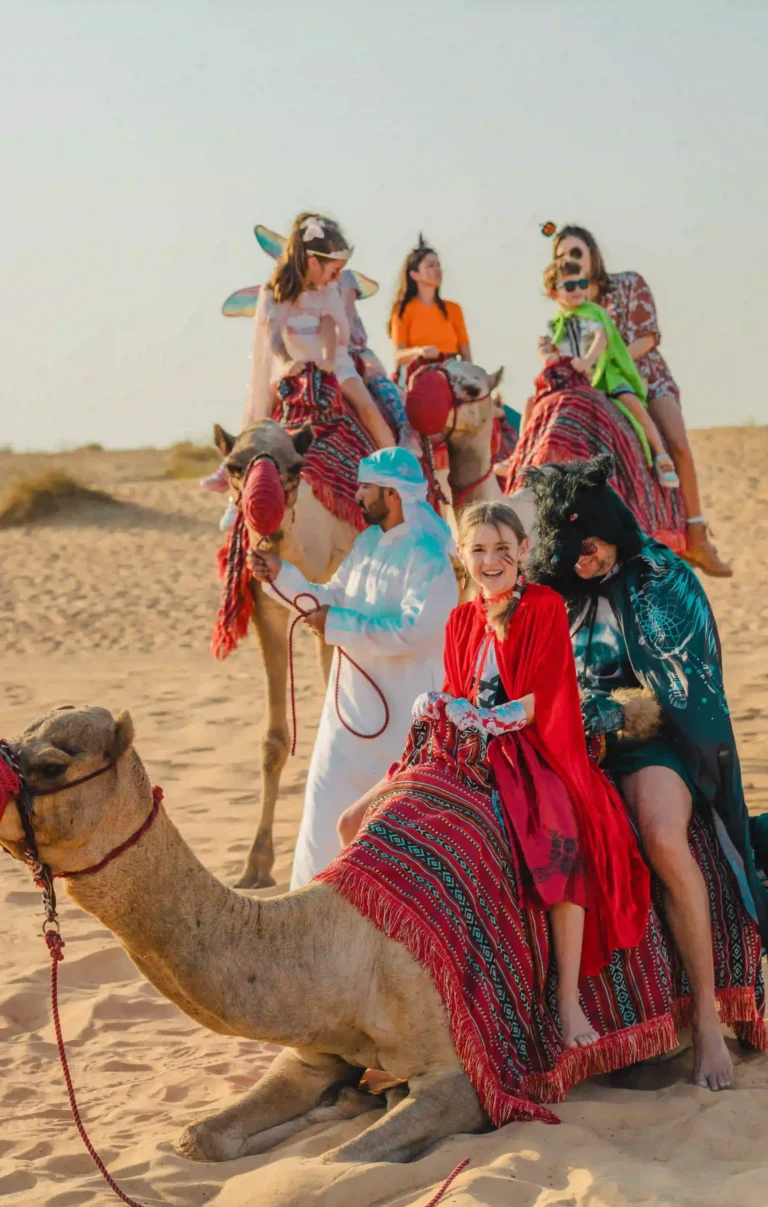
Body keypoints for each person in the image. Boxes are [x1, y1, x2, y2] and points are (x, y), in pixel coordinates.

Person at [339, 498, 650, 1050]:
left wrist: (486, 717)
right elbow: (458, 692)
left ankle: (569, 1002)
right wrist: (440, 708)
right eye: (478, 550)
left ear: (522, 551)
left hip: (529, 746)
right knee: (351, 822)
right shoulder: (460, 620)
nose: (490, 560)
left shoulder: (543, 606)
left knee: (562, 845)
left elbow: (543, 696)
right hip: (462, 748)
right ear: (462, 555)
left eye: (502, 549)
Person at [524, 453, 768, 1089]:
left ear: (612, 532)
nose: (586, 561)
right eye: (573, 551)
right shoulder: (549, 589)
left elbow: (685, 693)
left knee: (661, 834)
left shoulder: (664, 576)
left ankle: (709, 1024)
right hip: (564, 742)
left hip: (652, 740)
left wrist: (604, 714)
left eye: (594, 548)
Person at [248, 447, 458, 889]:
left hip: (402, 725)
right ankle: (308, 912)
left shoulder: (429, 554)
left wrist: (338, 625)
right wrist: (278, 575)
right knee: (322, 822)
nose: (357, 494)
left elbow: (417, 629)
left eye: (366, 487)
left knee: (396, 842)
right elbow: (332, 598)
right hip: (345, 721)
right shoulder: (367, 543)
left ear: (393, 494)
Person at [549, 224, 731, 577]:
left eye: (576, 253)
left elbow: (648, 337)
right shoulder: (571, 303)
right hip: (596, 387)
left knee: (675, 442)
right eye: (562, 257)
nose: (571, 261)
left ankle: (697, 534)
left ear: (591, 254)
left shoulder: (629, 284)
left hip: (643, 375)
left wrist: (609, 363)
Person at [206, 213, 395, 527]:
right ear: (312, 263)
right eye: (334, 271)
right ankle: (235, 492)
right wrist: (287, 361)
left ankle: (398, 470)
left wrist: (328, 356)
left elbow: (331, 324)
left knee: (366, 405)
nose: (337, 279)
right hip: (290, 365)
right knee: (262, 416)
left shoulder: (326, 291)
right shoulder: (275, 291)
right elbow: (273, 336)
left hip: (330, 361)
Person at [542, 259, 679, 490]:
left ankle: (661, 455)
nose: (578, 290)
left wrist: (587, 361)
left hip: (604, 374)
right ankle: (521, 455)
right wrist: (546, 357)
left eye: (582, 283)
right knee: (536, 406)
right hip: (570, 379)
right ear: (554, 293)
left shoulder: (594, 314)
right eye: (570, 286)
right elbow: (549, 348)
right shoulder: (554, 324)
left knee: (631, 402)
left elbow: (601, 339)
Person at [389, 236, 471, 370]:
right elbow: (398, 354)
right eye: (430, 266)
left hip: (451, 368)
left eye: (438, 265)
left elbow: (466, 354)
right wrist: (420, 352)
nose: (438, 270)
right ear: (415, 275)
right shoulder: (403, 310)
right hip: (419, 367)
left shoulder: (453, 309)